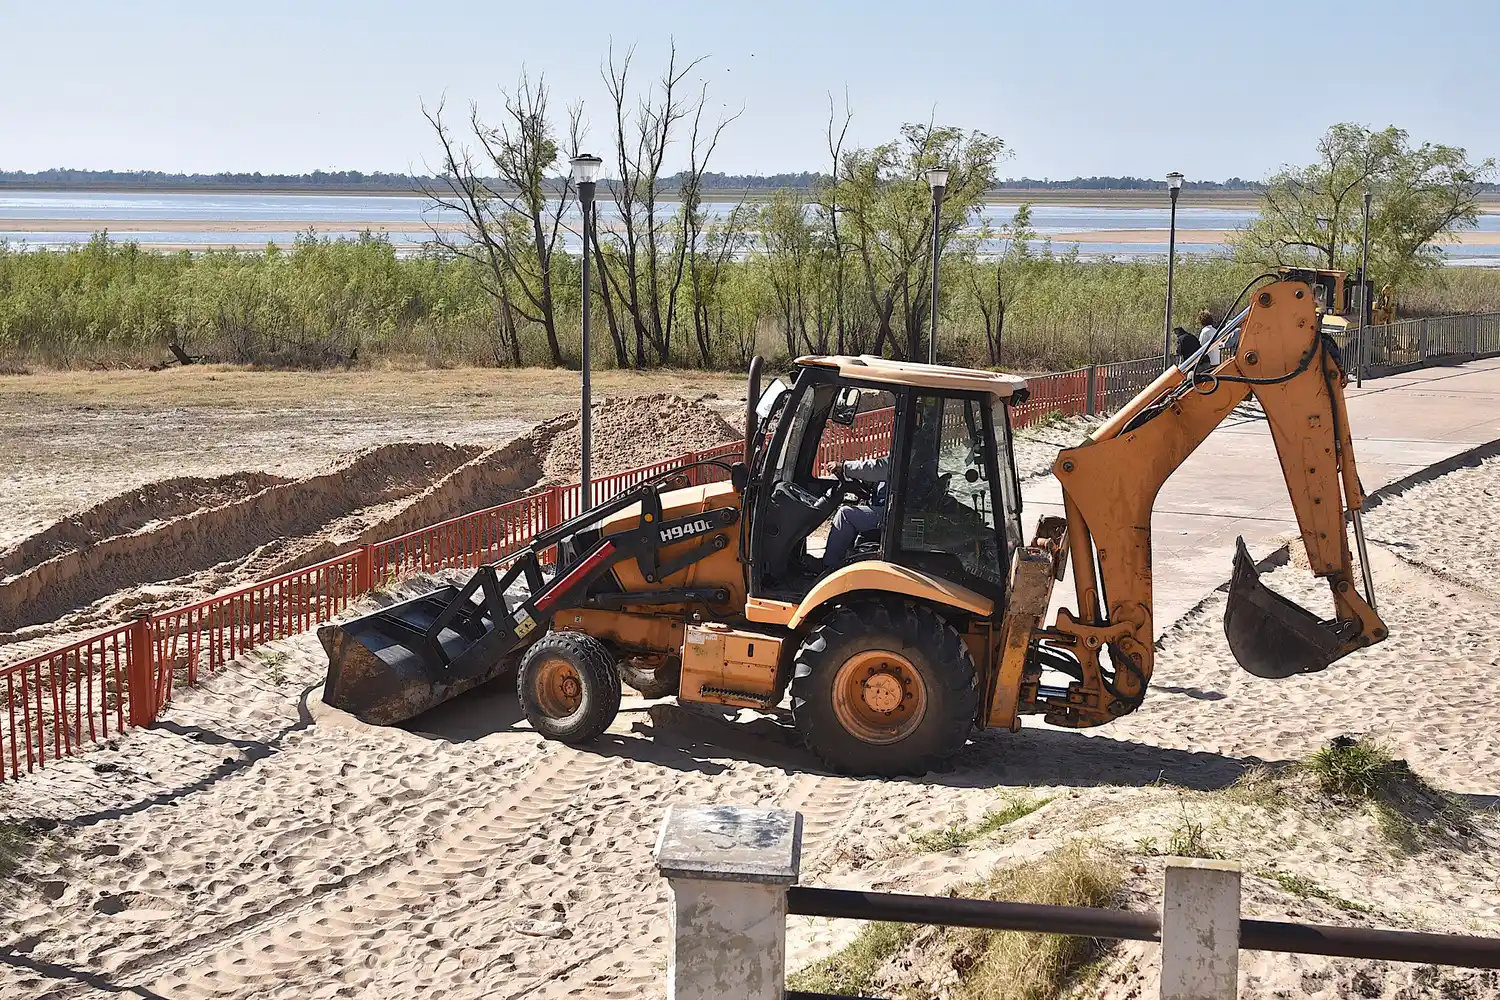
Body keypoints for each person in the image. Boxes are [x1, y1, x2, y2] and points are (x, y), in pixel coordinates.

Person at [820, 454, 887, 569]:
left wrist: (844, 467)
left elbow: (876, 468)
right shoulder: (909, 454)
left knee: (845, 515)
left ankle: (829, 566)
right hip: (889, 510)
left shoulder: (906, 454)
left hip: (894, 516)